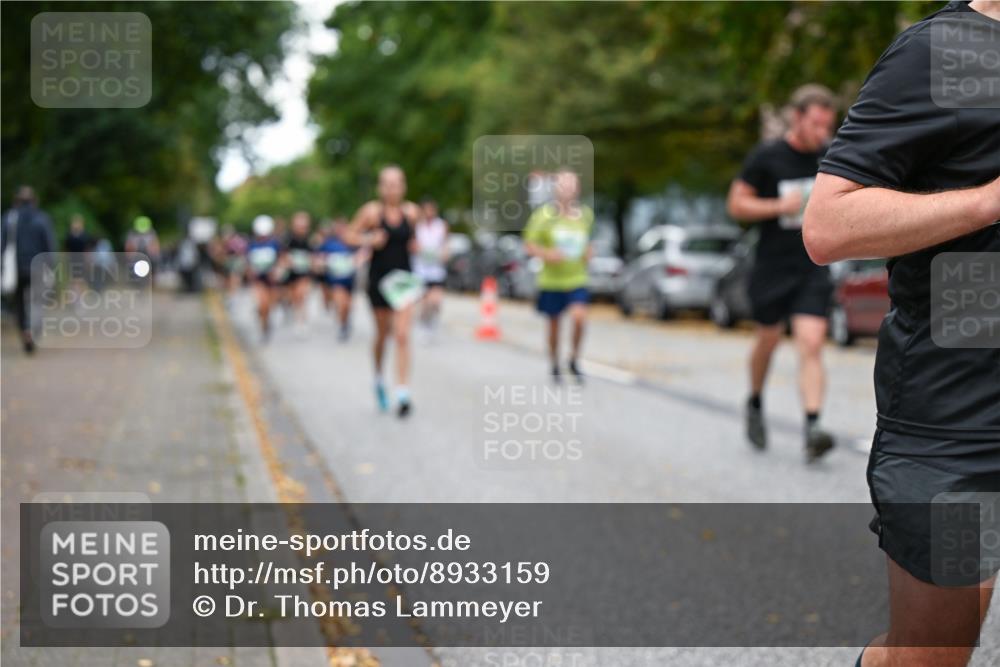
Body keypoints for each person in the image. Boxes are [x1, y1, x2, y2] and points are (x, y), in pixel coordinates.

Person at [803, 2, 1000, 665]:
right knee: (934, 655)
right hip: (964, 415)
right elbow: (829, 227)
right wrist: (986, 201)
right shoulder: (945, 53)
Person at [725, 84, 838, 463]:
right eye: (817, 124)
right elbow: (736, 204)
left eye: (828, 125)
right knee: (769, 339)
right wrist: (778, 205)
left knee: (811, 342)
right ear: (797, 118)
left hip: (813, 265)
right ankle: (755, 401)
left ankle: (813, 426)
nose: (823, 132)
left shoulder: (831, 157)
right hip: (772, 265)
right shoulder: (768, 156)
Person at [345, 165, 421, 417]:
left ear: (404, 186)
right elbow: (348, 235)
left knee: (401, 335)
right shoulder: (371, 212)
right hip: (379, 282)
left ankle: (402, 391)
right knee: (382, 335)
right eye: (387, 183)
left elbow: (414, 240)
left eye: (397, 183)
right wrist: (368, 240)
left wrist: (416, 246)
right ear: (380, 187)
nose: (392, 188)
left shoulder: (411, 212)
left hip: (403, 282)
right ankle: (378, 377)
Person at [523, 169, 593, 384]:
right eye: (563, 185)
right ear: (556, 189)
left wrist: (589, 252)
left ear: (577, 189)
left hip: (576, 278)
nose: (568, 189)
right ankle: (554, 362)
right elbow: (529, 246)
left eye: (572, 185)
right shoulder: (543, 216)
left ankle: (573, 359)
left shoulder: (585, 215)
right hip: (551, 280)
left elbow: (587, 243)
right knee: (554, 325)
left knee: (579, 318)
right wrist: (547, 254)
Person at [1, 186, 56, 354]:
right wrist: (51, 265)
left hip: (16, 269)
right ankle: (33, 330)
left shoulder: (9, 218)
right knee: (37, 301)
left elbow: (2, 245)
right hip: (37, 266)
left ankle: (25, 330)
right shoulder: (42, 218)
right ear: (34, 200)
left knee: (19, 303)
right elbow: (49, 245)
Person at [413, 197, 449, 341]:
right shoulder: (417, 226)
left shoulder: (441, 226)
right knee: (424, 303)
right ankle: (424, 325)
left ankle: (432, 323)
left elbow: (446, 245)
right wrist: (419, 250)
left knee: (435, 301)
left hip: (436, 270)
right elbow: (412, 245)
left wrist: (443, 254)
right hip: (421, 270)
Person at [316, 218, 357, 342]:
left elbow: (364, 253)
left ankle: (345, 321)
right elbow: (318, 257)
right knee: (341, 303)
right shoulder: (329, 244)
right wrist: (322, 262)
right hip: (335, 279)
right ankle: (342, 326)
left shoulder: (352, 242)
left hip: (350, 279)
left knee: (348, 306)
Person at [245, 215, 281, 342]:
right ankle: (264, 328)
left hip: (272, 280)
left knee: (271, 305)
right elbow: (247, 264)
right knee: (263, 304)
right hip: (259, 280)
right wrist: (250, 272)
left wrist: (277, 270)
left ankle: (267, 320)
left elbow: (282, 259)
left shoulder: (275, 244)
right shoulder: (252, 245)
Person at [280, 211, 315, 338]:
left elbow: (313, 256)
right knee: (293, 297)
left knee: (302, 295)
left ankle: (301, 321)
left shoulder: (310, 239)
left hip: (303, 273)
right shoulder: (288, 238)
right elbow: (282, 255)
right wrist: (287, 262)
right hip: (290, 273)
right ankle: (289, 310)